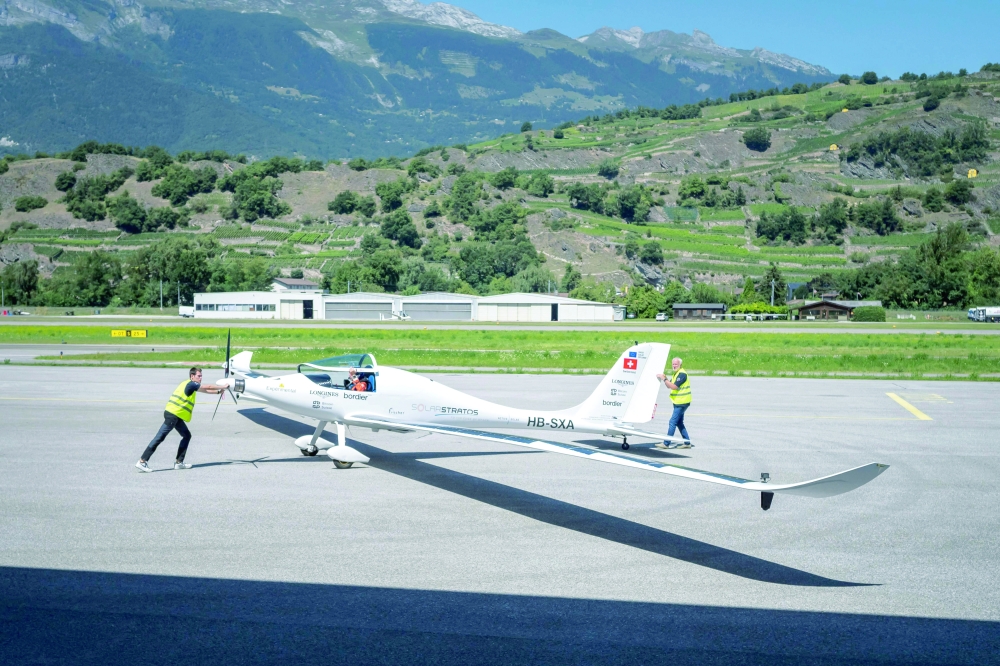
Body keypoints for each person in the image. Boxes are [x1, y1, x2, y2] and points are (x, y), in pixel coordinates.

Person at [135, 367, 226, 472]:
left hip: (175, 416)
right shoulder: (191, 384)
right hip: (173, 415)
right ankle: (142, 461)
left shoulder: (190, 385)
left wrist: (219, 392)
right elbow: (208, 386)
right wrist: (223, 386)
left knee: (187, 436)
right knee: (160, 437)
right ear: (192, 376)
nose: (201, 378)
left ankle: (179, 462)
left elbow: (205, 390)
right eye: (199, 376)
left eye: (201, 376)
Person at [656, 357, 693, 449]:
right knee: (679, 423)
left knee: (672, 422)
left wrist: (664, 379)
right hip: (679, 402)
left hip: (682, 402)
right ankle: (687, 443)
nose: (674, 365)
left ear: (680, 364)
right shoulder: (676, 374)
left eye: (676, 364)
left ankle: (666, 443)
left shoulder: (682, 374)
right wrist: (665, 379)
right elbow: (669, 385)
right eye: (673, 364)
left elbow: (674, 387)